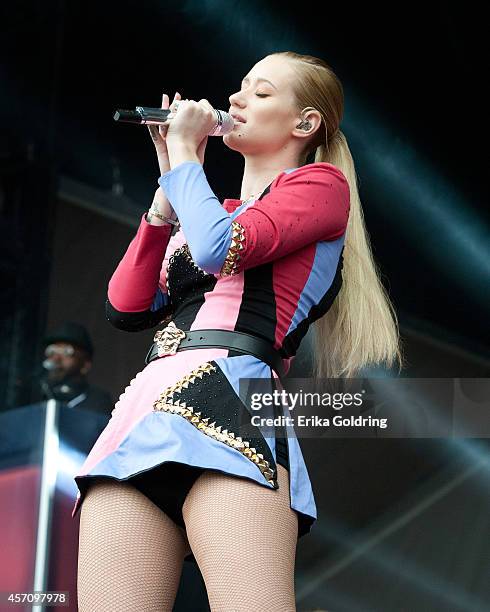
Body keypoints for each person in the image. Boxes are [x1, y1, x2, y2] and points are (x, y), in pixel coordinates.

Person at [74, 51, 403, 611]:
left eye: (262, 92)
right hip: (143, 412)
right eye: (240, 88)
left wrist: (183, 159)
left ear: (306, 123)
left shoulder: (320, 187)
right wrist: (165, 193)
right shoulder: (211, 206)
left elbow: (216, 247)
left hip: (234, 403)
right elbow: (125, 305)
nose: (235, 100)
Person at [39, 321, 113, 415]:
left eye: (67, 351)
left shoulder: (98, 401)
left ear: (85, 365)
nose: (56, 357)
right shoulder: (35, 395)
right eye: (52, 350)